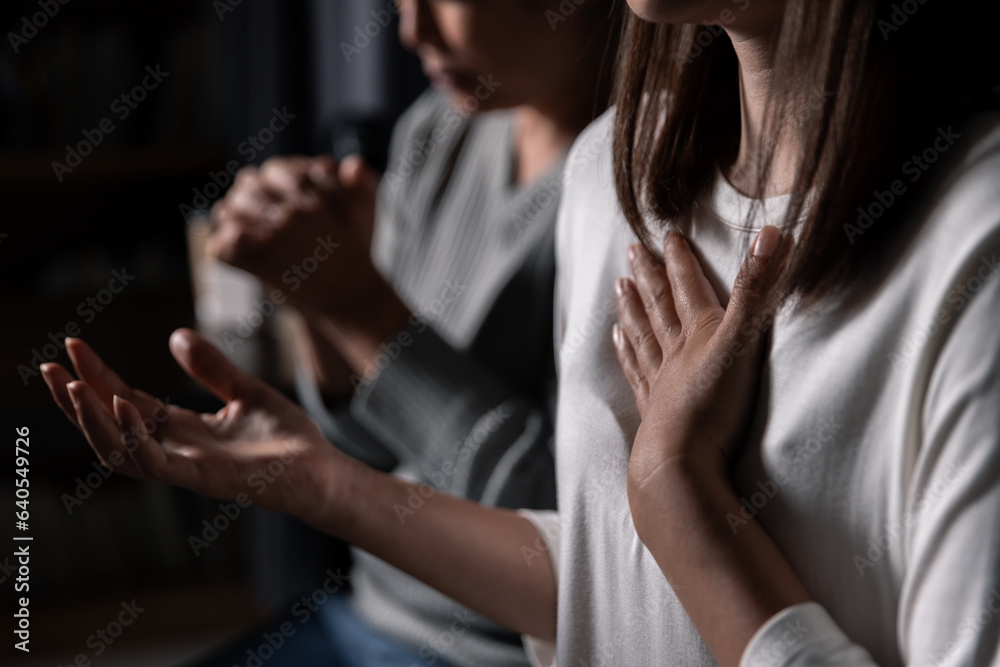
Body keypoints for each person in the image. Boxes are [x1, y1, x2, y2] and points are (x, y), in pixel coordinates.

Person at [41, 2, 1000, 667]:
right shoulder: (611, 175)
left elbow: (638, 526)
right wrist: (318, 480)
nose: (409, 26)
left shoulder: (974, 248)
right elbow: (607, 588)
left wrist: (679, 495)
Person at [45, 0, 618, 665]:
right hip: (367, 610)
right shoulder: (436, 133)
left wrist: (362, 311)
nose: (412, 31)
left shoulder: (638, 186)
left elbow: (572, 536)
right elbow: (371, 451)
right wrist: (315, 294)